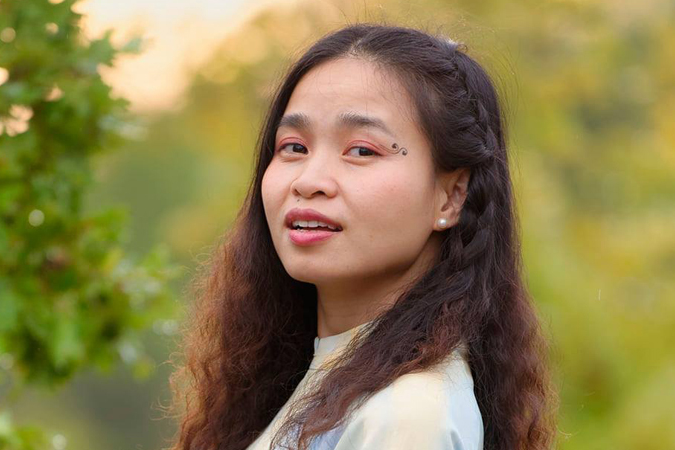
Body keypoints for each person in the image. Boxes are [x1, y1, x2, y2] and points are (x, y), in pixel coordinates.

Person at [168, 23, 558, 450]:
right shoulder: (318, 380)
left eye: (361, 150)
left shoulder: (406, 414)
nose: (309, 181)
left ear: (451, 196)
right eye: (294, 147)